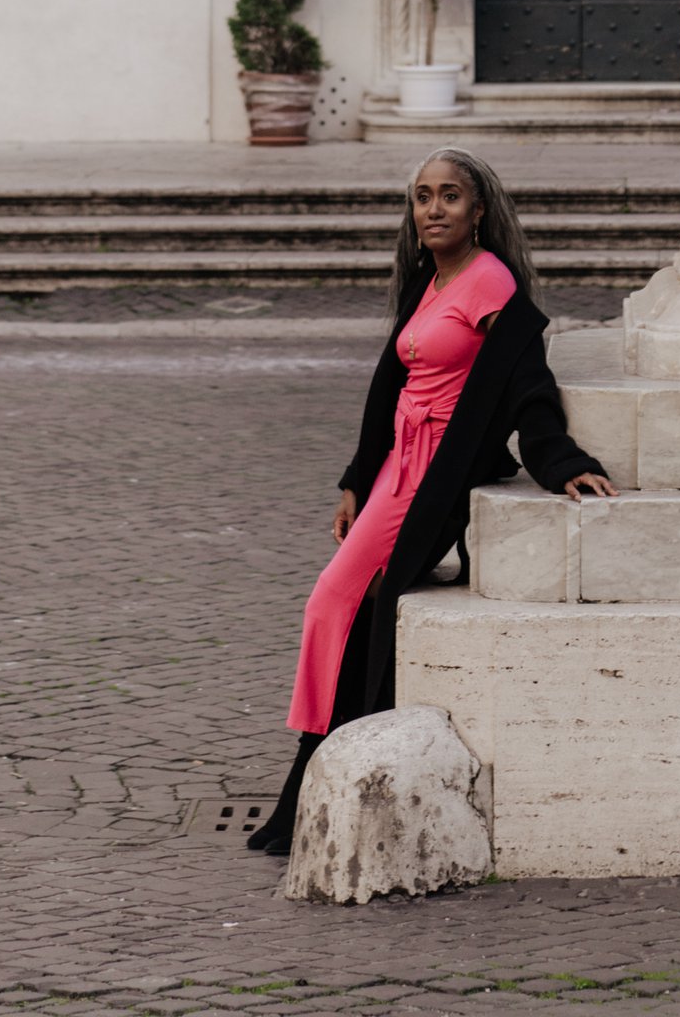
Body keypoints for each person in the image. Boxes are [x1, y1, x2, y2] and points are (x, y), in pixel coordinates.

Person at [247, 148, 613, 855]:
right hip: (393, 470)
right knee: (339, 605)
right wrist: (357, 476)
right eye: (422, 196)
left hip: (433, 476)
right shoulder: (427, 279)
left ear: (480, 211)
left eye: (450, 196)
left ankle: (316, 763)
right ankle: (313, 765)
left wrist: (564, 464)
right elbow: (390, 386)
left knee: (333, 600)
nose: (434, 208)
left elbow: (529, 388)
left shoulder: (491, 285)